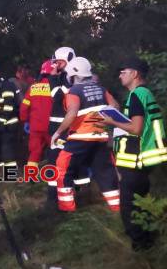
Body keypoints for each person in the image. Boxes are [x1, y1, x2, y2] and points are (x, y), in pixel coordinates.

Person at [100, 57, 167, 250]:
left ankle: (142, 247)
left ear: (135, 74)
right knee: (140, 203)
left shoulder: (137, 95)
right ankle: (150, 241)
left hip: (137, 160)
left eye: (123, 72)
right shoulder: (145, 94)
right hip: (144, 158)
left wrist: (112, 122)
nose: (120, 75)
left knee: (129, 208)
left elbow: (136, 128)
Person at [51, 57, 121, 213]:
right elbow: (115, 106)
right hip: (101, 137)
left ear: (73, 74)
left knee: (62, 167)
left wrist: (58, 132)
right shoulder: (101, 89)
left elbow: (71, 114)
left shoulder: (74, 91)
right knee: (105, 171)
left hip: (80, 137)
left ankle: (67, 209)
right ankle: (117, 208)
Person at [45, 47, 90, 208]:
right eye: (55, 62)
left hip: (63, 127)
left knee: (57, 160)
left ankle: (55, 199)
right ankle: (79, 194)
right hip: (63, 126)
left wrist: (52, 78)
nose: (56, 65)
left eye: (60, 62)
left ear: (69, 60)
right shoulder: (69, 77)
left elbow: (57, 96)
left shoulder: (69, 79)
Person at [19, 60, 55, 168]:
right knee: (56, 150)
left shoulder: (33, 87)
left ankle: (31, 175)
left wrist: (25, 121)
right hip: (51, 126)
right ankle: (55, 174)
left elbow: (24, 106)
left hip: (35, 126)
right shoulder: (56, 87)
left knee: (34, 152)